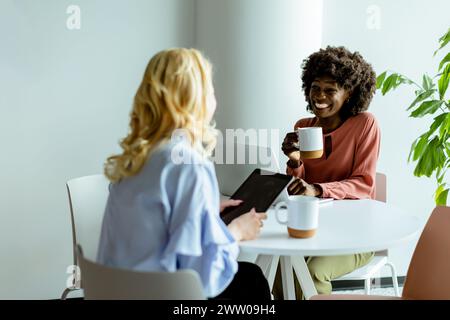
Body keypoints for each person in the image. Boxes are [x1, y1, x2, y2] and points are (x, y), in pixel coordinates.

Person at [96, 48, 270, 300]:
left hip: (118, 293)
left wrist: (205, 210)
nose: (214, 97)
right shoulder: (188, 164)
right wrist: (237, 232)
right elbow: (201, 280)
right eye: (210, 89)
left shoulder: (134, 160)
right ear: (195, 99)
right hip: (165, 295)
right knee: (251, 280)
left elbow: (154, 226)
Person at [273, 46, 380, 299]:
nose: (319, 96)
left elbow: (363, 184)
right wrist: (294, 160)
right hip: (314, 228)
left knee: (312, 272)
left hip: (357, 234)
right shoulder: (303, 126)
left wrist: (318, 189)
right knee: (281, 269)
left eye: (330, 90)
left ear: (349, 93)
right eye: (315, 88)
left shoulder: (364, 124)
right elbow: (299, 189)